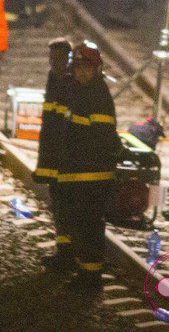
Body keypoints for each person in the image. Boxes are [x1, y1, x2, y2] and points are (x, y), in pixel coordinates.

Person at [55, 41, 122, 293]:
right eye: (79, 67)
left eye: (87, 68)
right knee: (80, 222)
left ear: (96, 69)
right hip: (79, 171)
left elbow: (103, 136)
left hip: (93, 174)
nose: (83, 72)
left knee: (89, 225)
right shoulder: (79, 90)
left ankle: (91, 277)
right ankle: (84, 270)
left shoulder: (97, 95)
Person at [34, 37, 74, 269]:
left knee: (69, 203)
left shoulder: (73, 80)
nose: (54, 62)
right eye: (51, 58)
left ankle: (73, 252)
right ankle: (64, 250)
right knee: (58, 204)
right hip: (55, 152)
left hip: (69, 154)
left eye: (58, 58)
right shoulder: (53, 77)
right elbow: (49, 123)